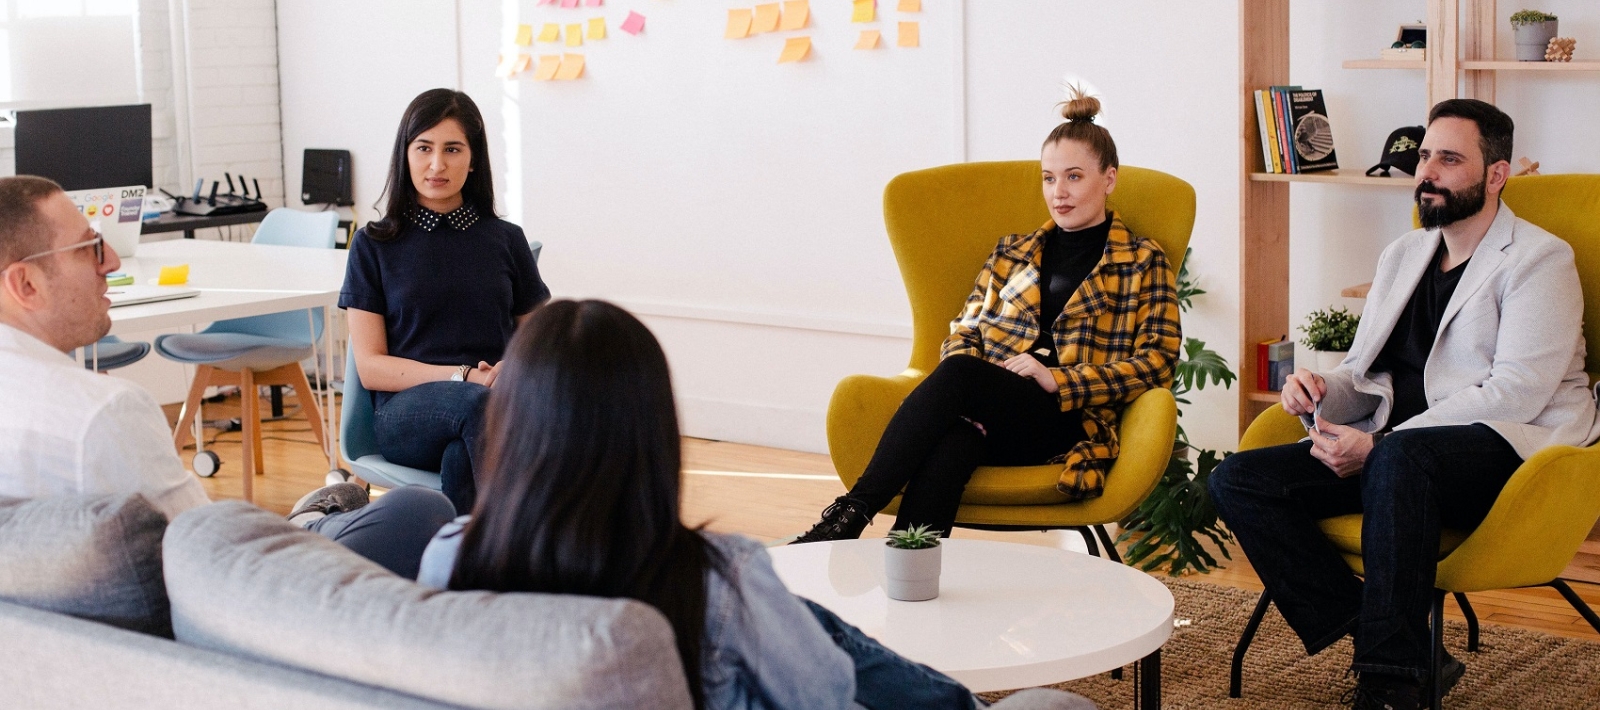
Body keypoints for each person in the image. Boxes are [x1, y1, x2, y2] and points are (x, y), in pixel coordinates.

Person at [413, 300, 1090, 710]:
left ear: (512, 426)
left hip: (1047, 403)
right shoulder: (714, 578)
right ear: (651, 434)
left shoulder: (449, 557)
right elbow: (825, 696)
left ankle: (854, 517)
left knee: (809, 618)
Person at [1209, 99, 1600, 710]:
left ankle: (1392, 685)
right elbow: (1368, 372)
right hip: (1397, 454)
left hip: (1506, 451)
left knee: (1401, 461)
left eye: (1449, 159)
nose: (1428, 173)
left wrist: (1382, 446)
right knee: (1240, 479)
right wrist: (1317, 388)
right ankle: (1400, 646)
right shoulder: (1403, 255)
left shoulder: (1538, 259)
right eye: (1424, 156)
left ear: (1495, 175)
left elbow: (1516, 391)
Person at [0, 174, 455, 580]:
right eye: (89, 247)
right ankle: (305, 525)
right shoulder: (102, 415)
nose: (112, 262)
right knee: (417, 508)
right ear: (26, 285)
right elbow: (207, 555)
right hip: (243, 598)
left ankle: (305, 522)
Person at [792, 88, 1182, 543]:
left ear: (1109, 179)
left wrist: (1060, 379)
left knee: (959, 375)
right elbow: (965, 330)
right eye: (1049, 178)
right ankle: (908, 566)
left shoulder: (1142, 260)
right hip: (991, 408)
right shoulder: (1011, 253)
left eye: (1074, 177)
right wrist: (990, 380)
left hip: (1068, 420)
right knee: (954, 442)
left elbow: (1158, 361)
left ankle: (850, 514)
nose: (1059, 193)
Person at [340, 88, 549, 514]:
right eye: (424, 148)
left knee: (463, 455)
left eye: (452, 149)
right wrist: (464, 376)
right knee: (480, 407)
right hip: (405, 416)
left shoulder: (506, 240)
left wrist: (516, 366)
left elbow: (543, 341)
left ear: (473, 160)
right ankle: (539, 546)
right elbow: (372, 367)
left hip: (488, 409)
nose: (437, 164)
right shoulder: (373, 245)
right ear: (406, 155)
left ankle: (464, 570)